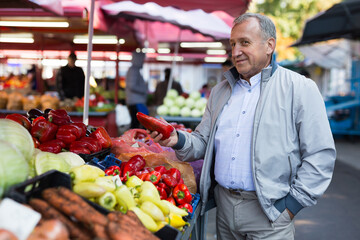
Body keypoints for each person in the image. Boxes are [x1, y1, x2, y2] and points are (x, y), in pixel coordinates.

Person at [149, 13, 336, 240]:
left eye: (244, 42)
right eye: (233, 44)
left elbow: (320, 155)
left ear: (269, 45)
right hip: (225, 210)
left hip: (270, 214)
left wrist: (290, 207)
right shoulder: (220, 92)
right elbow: (203, 143)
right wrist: (177, 139)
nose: (235, 52)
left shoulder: (299, 88)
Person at [125, 51, 148, 129]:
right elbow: (132, 85)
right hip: (136, 102)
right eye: (142, 60)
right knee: (137, 124)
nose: (143, 62)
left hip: (136, 101)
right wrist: (144, 89)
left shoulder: (135, 70)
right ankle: (133, 140)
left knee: (137, 123)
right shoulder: (133, 70)